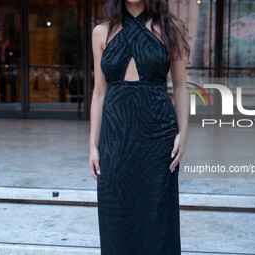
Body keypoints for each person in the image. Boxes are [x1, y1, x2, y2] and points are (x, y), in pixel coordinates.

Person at [89, 0, 190, 254]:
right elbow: (99, 93)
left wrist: (184, 134)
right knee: (116, 213)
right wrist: (93, 145)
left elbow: (180, 85)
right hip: (116, 138)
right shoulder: (101, 32)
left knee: (158, 215)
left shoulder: (171, 27)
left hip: (158, 136)